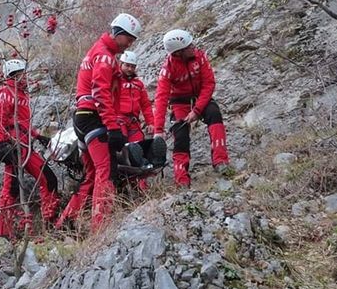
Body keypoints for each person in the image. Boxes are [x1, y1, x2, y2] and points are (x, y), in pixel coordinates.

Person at [56, 13, 142, 231]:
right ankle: (101, 228)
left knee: (92, 174)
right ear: (119, 34)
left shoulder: (97, 51)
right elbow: (101, 92)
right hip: (93, 118)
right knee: (107, 169)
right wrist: (113, 127)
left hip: (82, 118)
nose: (130, 43)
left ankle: (65, 222)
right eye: (129, 38)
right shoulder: (104, 56)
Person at [153, 30, 230, 187]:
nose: (193, 47)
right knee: (180, 136)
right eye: (189, 46)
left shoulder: (199, 57)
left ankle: (221, 161)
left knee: (214, 114)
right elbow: (161, 98)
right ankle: (181, 179)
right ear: (179, 52)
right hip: (179, 103)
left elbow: (209, 83)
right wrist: (158, 130)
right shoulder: (167, 69)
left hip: (200, 97)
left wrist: (197, 110)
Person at [0, 59, 59, 238]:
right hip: (13, 147)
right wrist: (1, 144)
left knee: (49, 179)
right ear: (14, 75)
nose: (26, 76)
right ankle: (4, 235)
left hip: (26, 145)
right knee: (11, 190)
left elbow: (22, 123)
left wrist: (38, 136)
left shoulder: (22, 95)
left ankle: (50, 224)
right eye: (22, 73)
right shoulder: (5, 93)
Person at [116, 51, 154, 143]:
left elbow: (146, 105)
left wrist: (151, 123)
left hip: (133, 122)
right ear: (120, 64)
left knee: (138, 147)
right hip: (118, 121)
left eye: (133, 67)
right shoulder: (114, 81)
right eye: (127, 65)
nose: (130, 69)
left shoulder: (138, 84)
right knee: (120, 146)